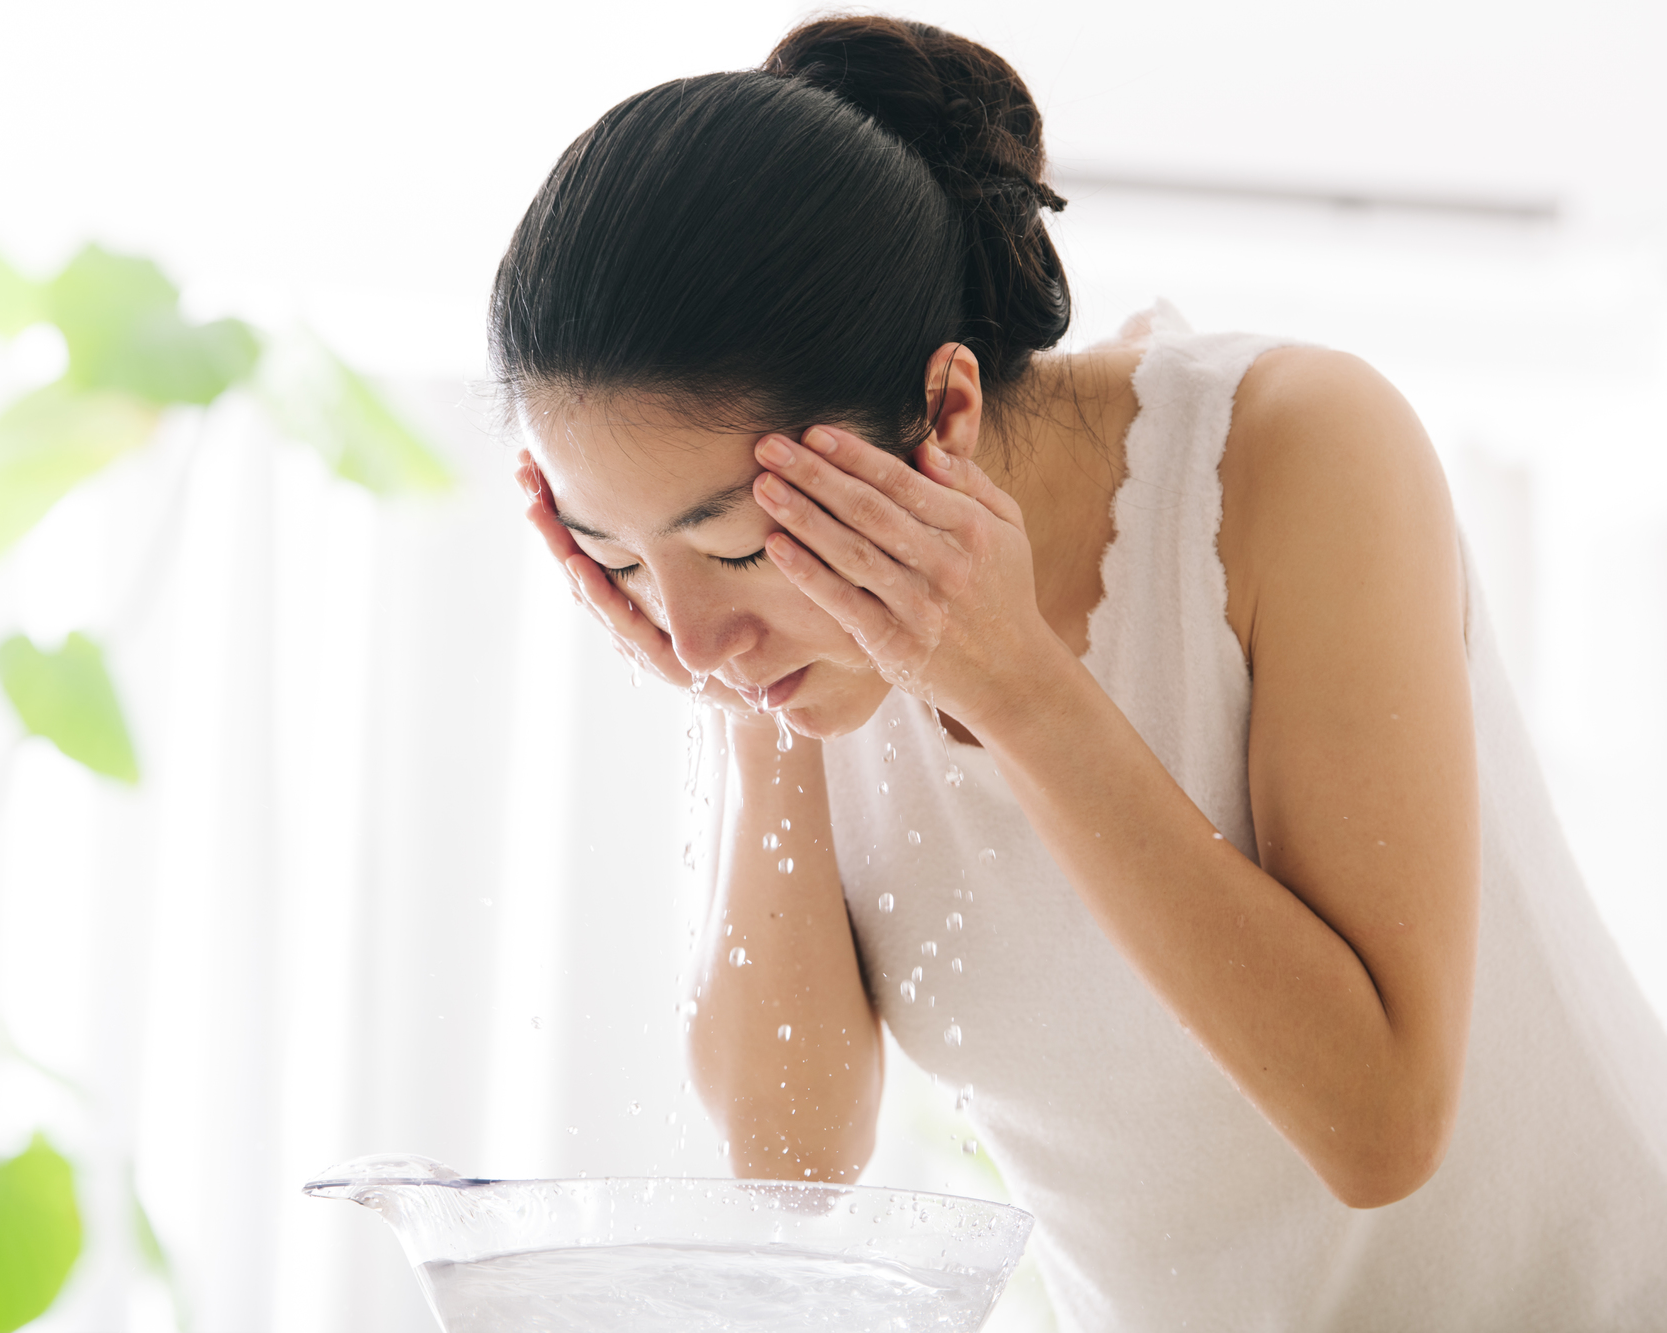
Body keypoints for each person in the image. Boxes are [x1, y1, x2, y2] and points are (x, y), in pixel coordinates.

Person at [492, 15, 1667, 1330]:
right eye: (623, 561)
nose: (688, 634)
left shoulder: (1292, 454)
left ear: (944, 415)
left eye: (743, 544)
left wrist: (1012, 681)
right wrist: (751, 705)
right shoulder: (790, 655)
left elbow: (1381, 1128)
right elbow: (792, 1165)